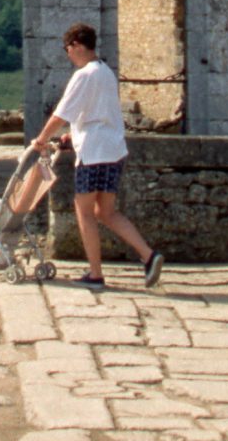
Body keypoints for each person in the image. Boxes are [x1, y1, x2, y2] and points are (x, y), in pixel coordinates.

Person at [24, 22, 164, 290]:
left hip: (93, 153)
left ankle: (96, 274)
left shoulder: (84, 75)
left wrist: (41, 139)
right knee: (106, 212)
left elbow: (61, 114)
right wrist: (70, 137)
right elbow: (95, 115)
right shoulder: (106, 73)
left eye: (67, 49)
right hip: (113, 150)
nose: (68, 54)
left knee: (84, 211)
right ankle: (149, 255)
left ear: (76, 44)